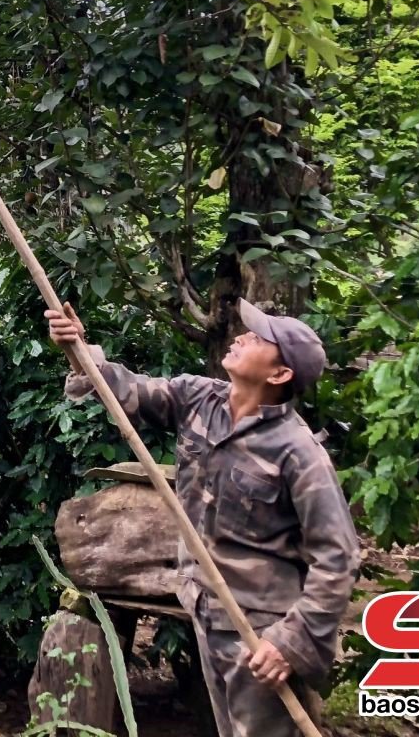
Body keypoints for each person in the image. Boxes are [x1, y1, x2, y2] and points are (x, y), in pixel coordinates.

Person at [45, 299, 358, 737]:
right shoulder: (198, 398)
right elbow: (125, 390)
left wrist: (290, 642)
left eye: (258, 338)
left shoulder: (299, 453)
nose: (242, 336)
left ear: (280, 374)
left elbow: (339, 558)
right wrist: (77, 348)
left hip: (262, 631)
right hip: (206, 607)